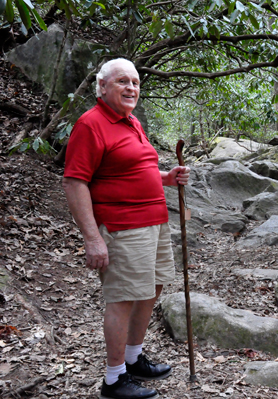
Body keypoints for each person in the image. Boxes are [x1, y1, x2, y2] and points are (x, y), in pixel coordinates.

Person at [62, 58, 190, 399]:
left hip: (154, 222)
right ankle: (114, 379)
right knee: (123, 298)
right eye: (122, 81)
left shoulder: (130, 121)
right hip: (122, 227)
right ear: (102, 87)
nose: (131, 88)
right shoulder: (91, 124)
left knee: (152, 289)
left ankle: (133, 358)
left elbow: (133, 167)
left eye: (134, 82)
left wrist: (165, 177)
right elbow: (74, 182)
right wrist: (92, 238)